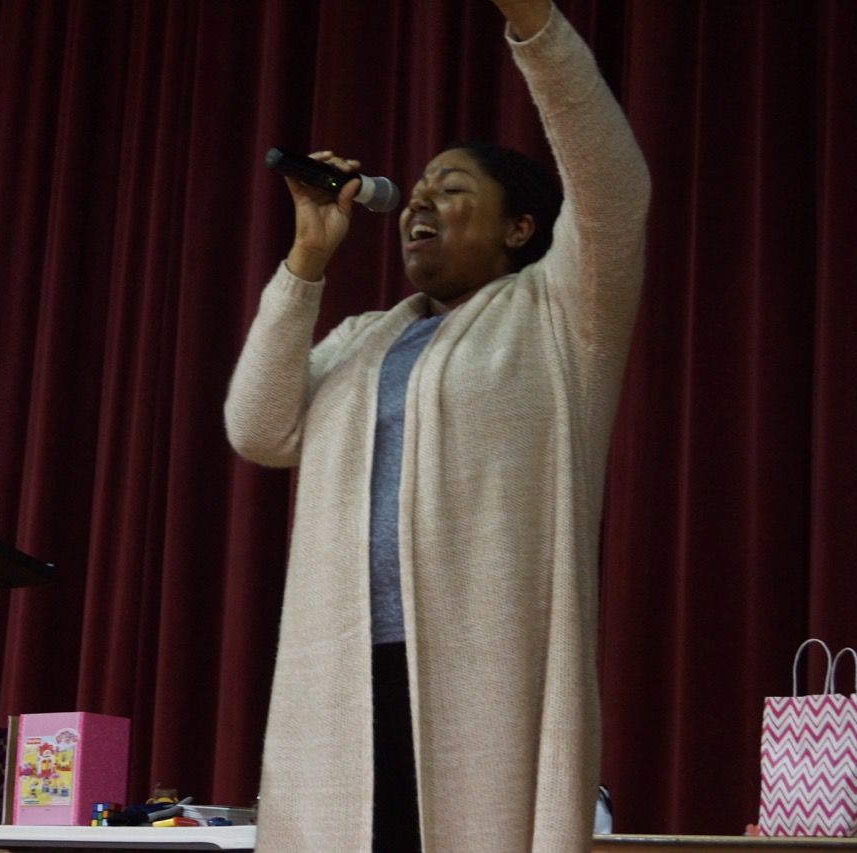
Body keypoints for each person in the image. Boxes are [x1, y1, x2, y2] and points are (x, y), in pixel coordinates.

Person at [224, 0, 650, 850]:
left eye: (452, 190)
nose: (419, 201)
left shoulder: (561, 314)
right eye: (417, 191)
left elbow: (614, 186)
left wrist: (534, 25)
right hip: (345, 676)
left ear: (520, 227)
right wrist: (307, 260)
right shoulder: (362, 339)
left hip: (482, 677)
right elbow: (257, 428)